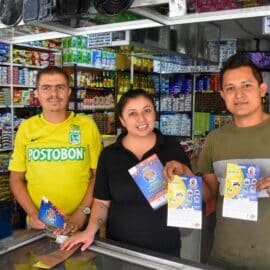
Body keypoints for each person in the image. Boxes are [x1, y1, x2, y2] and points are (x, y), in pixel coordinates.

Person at [163, 54, 270, 269]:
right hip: (223, 257)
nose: (238, 94)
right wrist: (187, 175)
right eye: (230, 88)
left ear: (262, 90)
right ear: (222, 94)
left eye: (246, 85)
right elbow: (210, 191)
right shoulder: (215, 139)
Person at [61, 89, 192, 257]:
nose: (142, 119)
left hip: (165, 250)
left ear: (155, 113)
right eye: (132, 114)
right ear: (122, 120)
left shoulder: (172, 149)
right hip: (120, 250)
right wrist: (90, 230)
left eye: (147, 110)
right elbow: (101, 202)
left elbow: (190, 196)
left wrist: (185, 173)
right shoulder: (109, 156)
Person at [9, 66, 102, 235]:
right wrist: (32, 212)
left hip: (81, 224)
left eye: (60, 87)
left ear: (68, 92)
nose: (54, 94)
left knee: (84, 262)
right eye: (46, 88)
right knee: (41, 261)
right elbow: (16, 179)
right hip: (40, 225)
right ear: (37, 93)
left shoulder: (87, 126)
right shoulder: (26, 128)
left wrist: (82, 212)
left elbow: (99, 176)